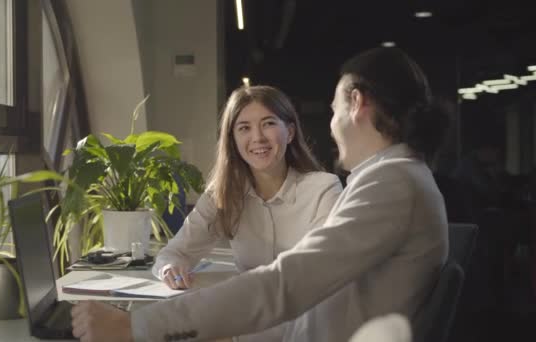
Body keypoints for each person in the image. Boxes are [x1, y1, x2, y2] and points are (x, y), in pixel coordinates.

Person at [71, 47, 451, 342]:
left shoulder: (391, 185)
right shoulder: (393, 179)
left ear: (356, 103)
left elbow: (286, 285)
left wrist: (136, 326)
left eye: (334, 109)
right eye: (243, 129)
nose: (332, 126)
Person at [153, 85, 343, 341]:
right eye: (244, 128)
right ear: (232, 141)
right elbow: (173, 253)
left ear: (290, 132)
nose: (258, 138)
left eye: (268, 124)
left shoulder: (324, 188)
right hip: (248, 323)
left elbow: (312, 280)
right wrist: (170, 268)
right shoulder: (221, 194)